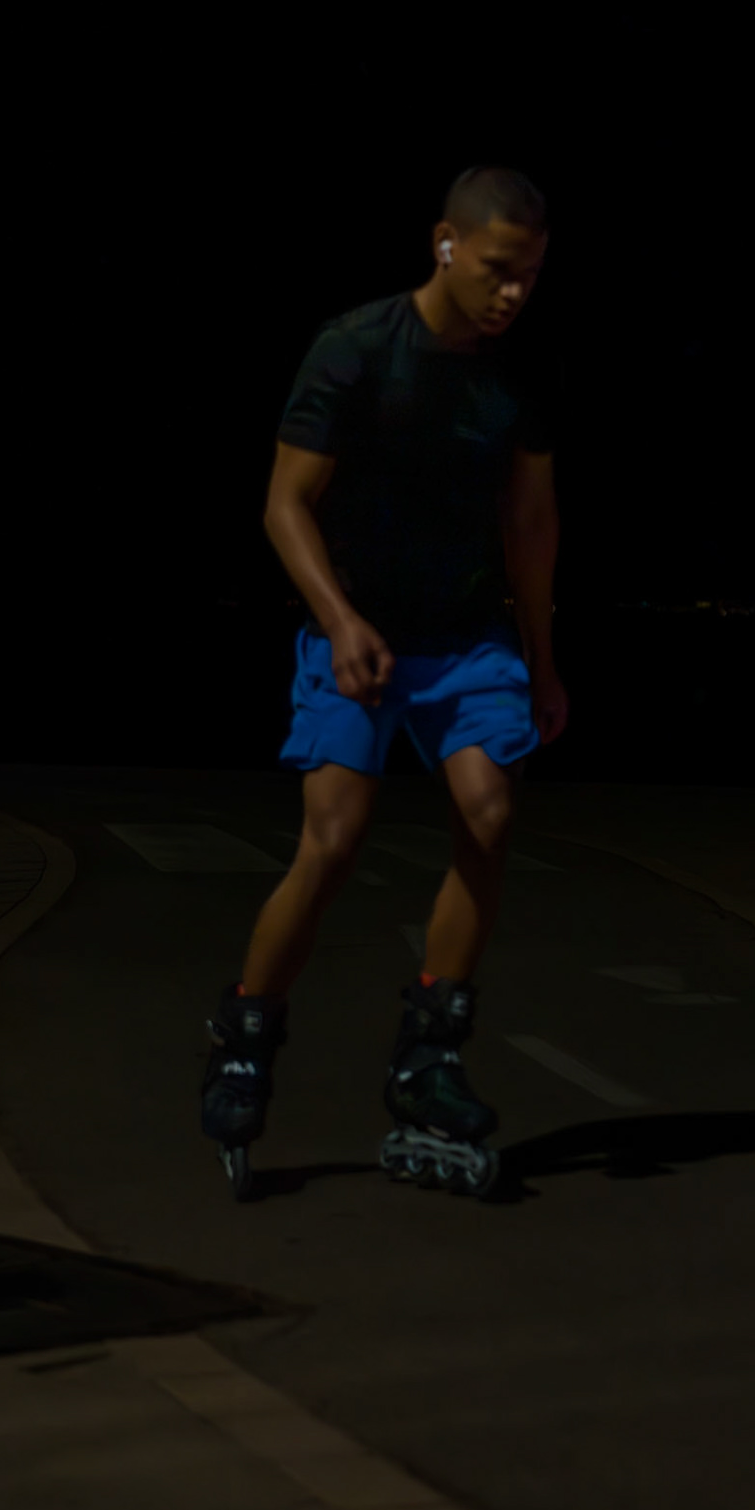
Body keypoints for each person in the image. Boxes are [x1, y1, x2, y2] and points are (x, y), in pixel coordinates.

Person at [200, 165, 569, 1198]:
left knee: (490, 809)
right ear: (445, 243)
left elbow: (531, 522)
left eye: (532, 276)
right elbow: (284, 504)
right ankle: (245, 1031)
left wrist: (541, 660)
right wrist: (339, 617)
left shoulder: (522, 371)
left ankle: (429, 1055)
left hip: (466, 635)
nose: (514, 294)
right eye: (500, 270)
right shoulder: (355, 348)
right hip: (354, 626)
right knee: (333, 837)